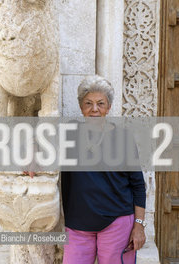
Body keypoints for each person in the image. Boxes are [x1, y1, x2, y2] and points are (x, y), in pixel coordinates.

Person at [61, 75, 146, 264]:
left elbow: (138, 186)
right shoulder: (69, 134)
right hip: (77, 226)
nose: (94, 109)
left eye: (100, 103)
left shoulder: (123, 138)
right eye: (88, 103)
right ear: (81, 107)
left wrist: (139, 226)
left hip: (118, 225)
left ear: (108, 107)